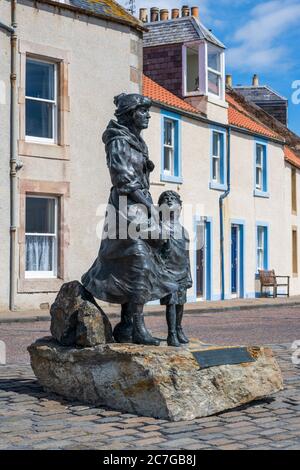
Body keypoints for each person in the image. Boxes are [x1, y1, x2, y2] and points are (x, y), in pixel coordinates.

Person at [81, 93, 177, 346]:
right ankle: (138, 329)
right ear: (130, 113)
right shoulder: (117, 140)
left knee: (141, 265)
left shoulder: (137, 140)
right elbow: (122, 178)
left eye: (148, 111)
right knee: (138, 262)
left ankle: (126, 326)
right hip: (126, 207)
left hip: (139, 205)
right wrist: (150, 207)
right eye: (143, 111)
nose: (147, 116)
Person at [158, 191, 192, 347]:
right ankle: (171, 333)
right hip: (168, 272)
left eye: (173, 199)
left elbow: (187, 255)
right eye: (166, 199)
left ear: (180, 206)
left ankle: (179, 329)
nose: (169, 200)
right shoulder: (160, 228)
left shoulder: (183, 231)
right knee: (171, 303)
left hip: (182, 271)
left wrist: (189, 274)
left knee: (180, 303)